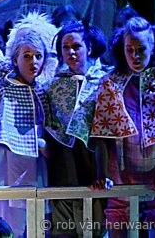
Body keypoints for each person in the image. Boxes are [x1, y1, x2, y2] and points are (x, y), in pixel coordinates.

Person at [80, 16, 155, 238]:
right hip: (121, 173)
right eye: (130, 50)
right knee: (119, 223)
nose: (135, 56)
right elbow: (101, 133)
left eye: (141, 49)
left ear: (153, 46)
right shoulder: (111, 82)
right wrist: (101, 174)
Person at [0, 30, 51, 237]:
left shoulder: (42, 92)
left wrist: (43, 145)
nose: (33, 62)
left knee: (36, 223)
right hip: (6, 166)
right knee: (6, 221)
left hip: (36, 166)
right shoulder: (2, 90)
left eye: (38, 56)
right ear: (15, 59)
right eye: (27, 56)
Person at [44, 20, 109, 238]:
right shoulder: (53, 85)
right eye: (65, 47)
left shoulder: (105, 81)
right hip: (63, 165)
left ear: (88, 48)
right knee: (64, 229)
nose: (71, 52)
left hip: (94, 162)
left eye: (76, 46)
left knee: (94, 229)